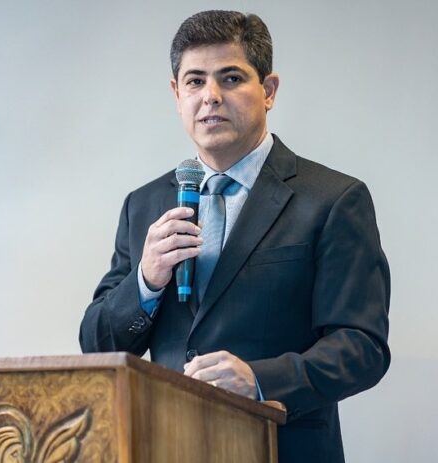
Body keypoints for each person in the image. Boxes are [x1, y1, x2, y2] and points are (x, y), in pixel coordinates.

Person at [79, 10, 390, 462]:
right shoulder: (144, 204)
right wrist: (145, 282)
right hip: (167, 448)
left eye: (230, 78)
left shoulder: (334, 199)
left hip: (282, 448)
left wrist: (261, 380)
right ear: (177, 94)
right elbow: (97, 346)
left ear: (268, 91)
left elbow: (362, 348)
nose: (211, 96)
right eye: (195, 81)